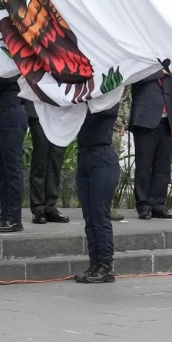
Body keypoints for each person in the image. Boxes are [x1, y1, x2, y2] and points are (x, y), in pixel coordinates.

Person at [72, 100, 122, 283]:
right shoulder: (82, 101)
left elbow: (99, 111)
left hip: (103, 157)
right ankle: (95, 263)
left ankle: (105, 265)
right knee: (90, 217)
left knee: (100, 216)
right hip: (84, 156)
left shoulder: (108, 99)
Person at [128, 70, 172, 219]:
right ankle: (143, 205)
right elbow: (135, 78)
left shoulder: (170, 71)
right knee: (144, 165)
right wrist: (159, 72)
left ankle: (158, 205)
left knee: (162, 167)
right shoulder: (144, 65)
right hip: (145, 120)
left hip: (166, 121)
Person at [0, 76, 27, 233]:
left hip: (10, 113)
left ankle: (14, 219)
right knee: (1, 170)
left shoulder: (10, 63)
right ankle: (5, 217)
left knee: (11, 168)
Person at [27, 108, 70, 224]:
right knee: (40, 159)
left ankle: (50, 207)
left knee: (56, 161)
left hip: (60, 113)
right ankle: (38, 208)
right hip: (39, 110)